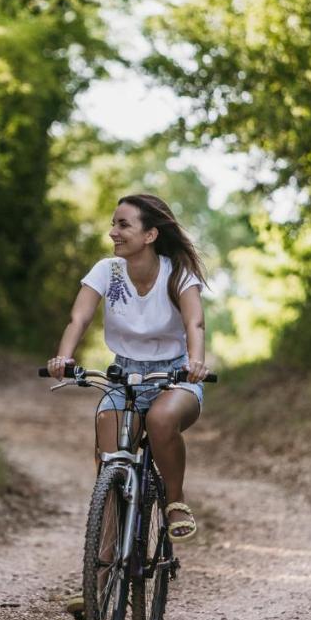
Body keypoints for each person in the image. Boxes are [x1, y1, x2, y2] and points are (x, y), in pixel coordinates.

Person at [47, 193, 209, 541]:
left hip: (175, 375)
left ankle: (176, 501)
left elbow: (195, 323)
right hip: (125, 374)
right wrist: (64, 357)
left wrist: (195, 362)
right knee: (109, 454)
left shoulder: (177, 272)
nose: (113, 233)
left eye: (123, 225)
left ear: (150, 235)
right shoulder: (107, 271)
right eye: (113, 224)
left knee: (161, 419)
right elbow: (80, 317)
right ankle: (102, 578)